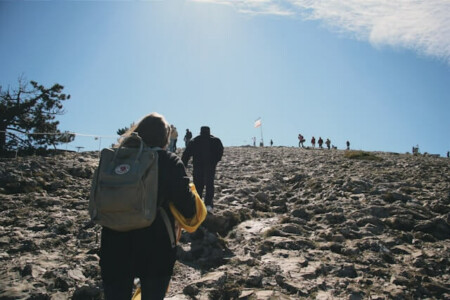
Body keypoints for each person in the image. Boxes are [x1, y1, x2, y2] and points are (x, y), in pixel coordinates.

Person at [99, 113, 197, 300]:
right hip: (155, 247)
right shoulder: (168, 160)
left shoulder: (115, 160)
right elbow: (188, 209)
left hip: (113, 244)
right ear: (165, 137)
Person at [182, 126, 223, 213]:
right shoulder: (215, 140)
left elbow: (186, 154)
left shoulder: (195, 141)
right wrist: (215, 161)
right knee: (209, 185)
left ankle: (198, 204)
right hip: (210, 166)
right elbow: (220, 151)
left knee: (198, 185)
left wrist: (183, 164)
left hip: (198, 166)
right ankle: (208, 204)